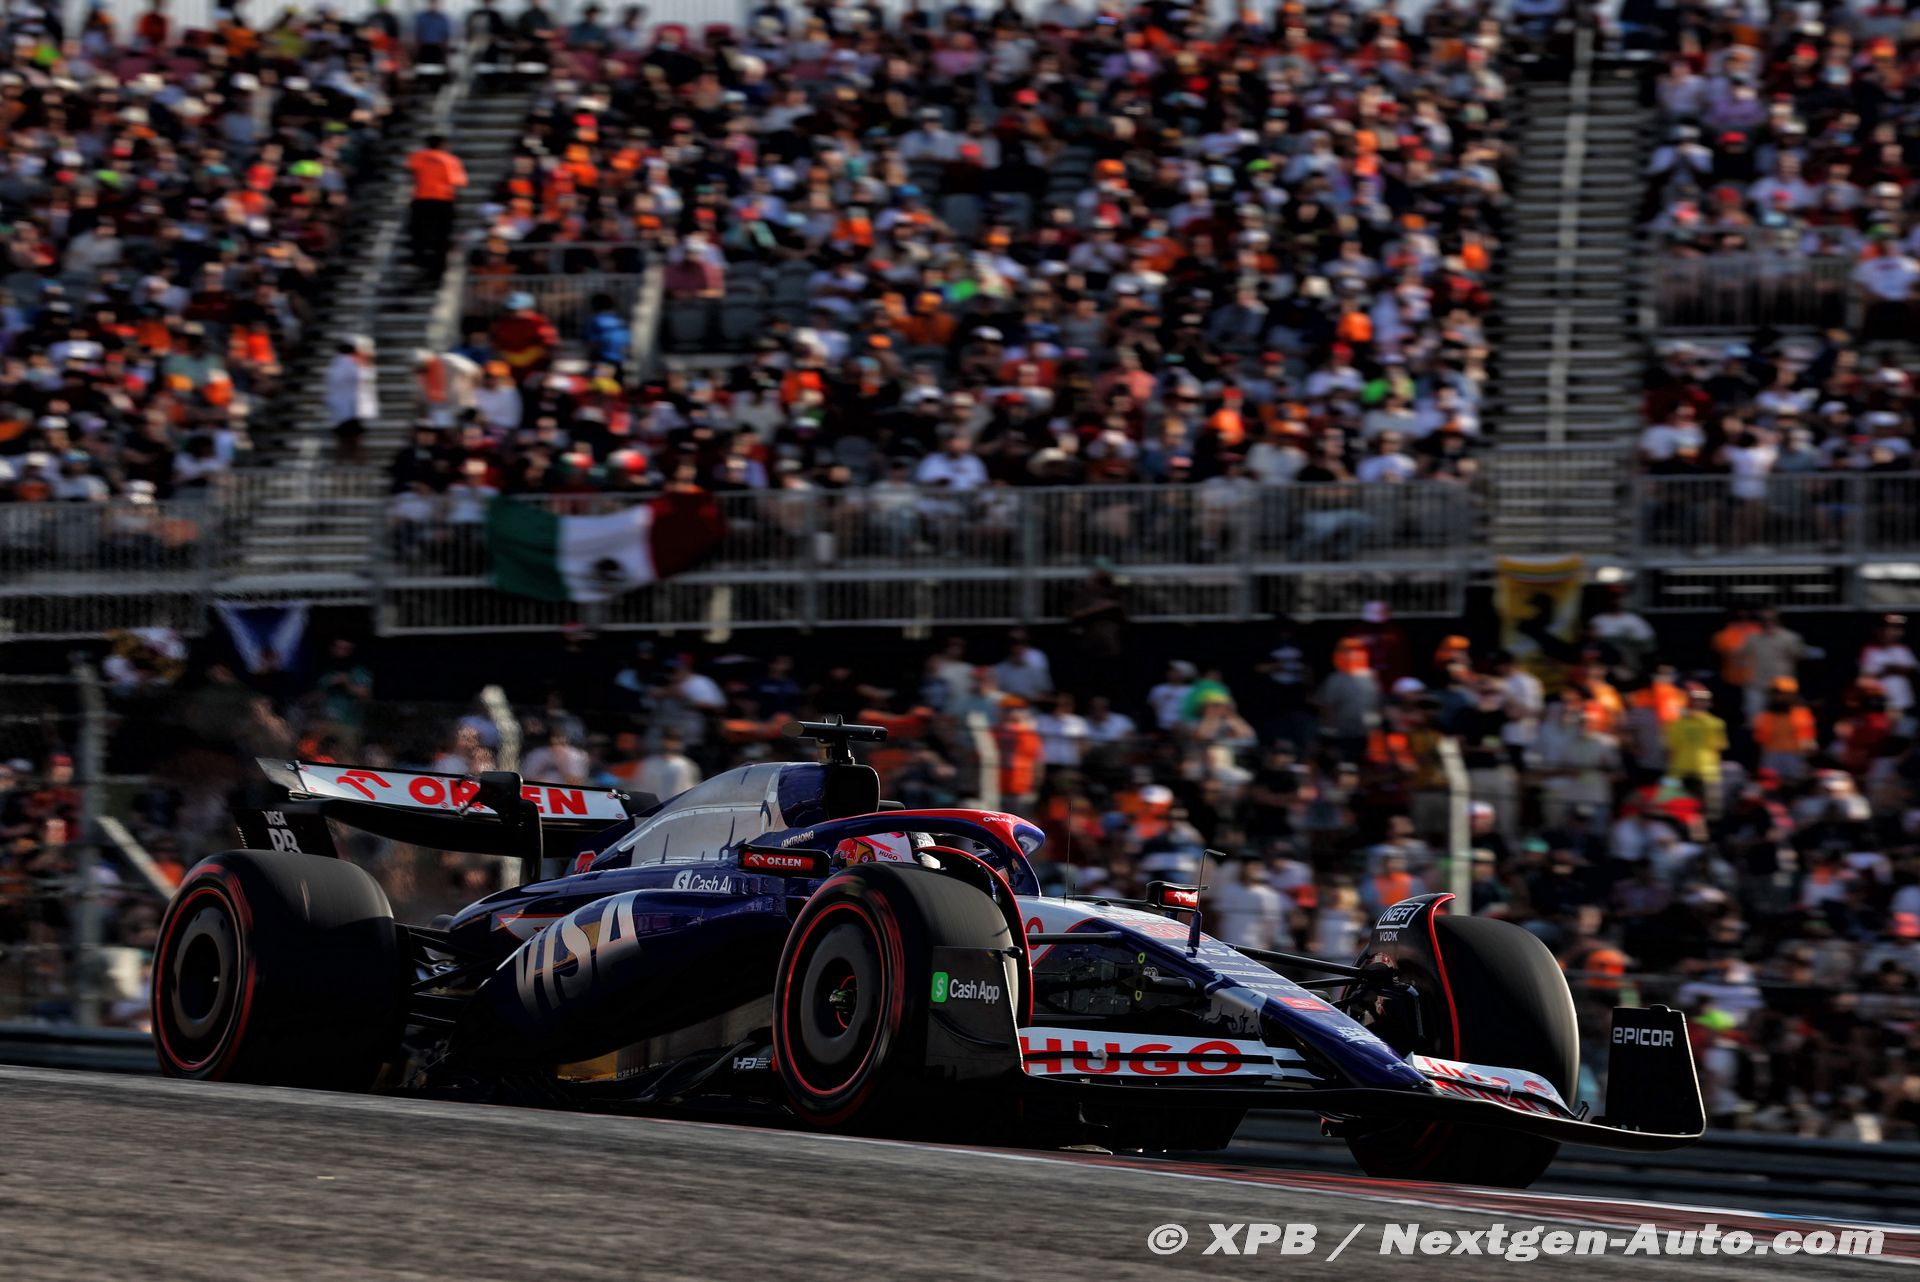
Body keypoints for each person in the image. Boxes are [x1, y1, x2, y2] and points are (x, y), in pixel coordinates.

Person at [406, 133, 468, 281]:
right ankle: (438, 270)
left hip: (422, 199)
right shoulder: (450, 160)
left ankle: (421, 261)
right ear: (443, 145)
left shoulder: (417, 156)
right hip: (443, 200)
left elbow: (410, 170)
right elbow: (459, 181)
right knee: (442, 237)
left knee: (418, 233)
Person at [324, 338, 378, 463]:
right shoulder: (352, 364)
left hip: (339, 409)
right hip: (351, 408)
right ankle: (357, 461)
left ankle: (342, 462)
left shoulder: (334, 365)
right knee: (354, 438)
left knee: (343, 438)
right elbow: (365, 378)